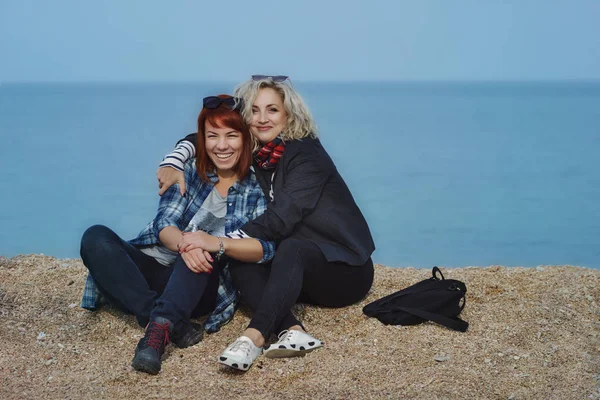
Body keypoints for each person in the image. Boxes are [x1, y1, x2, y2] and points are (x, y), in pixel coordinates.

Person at [157, 75, 375, 371]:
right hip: (294, 271)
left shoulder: (306, 156)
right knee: (241, 261)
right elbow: (205, 137)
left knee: (287, 247)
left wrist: (217, 242)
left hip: (343, 270)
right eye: (255, 110)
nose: (262, 119)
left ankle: (254, 337)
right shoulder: (261, 150)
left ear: (289, 114)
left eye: (272, 110)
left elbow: (279, 220)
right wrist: (173, 160)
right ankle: (294, 331)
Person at [79, 95, 274, 375]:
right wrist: (186, 243)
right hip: (148, 277)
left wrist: (209, 243)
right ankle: (166, 321)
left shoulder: (256, 188)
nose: (221, 145)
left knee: (200, 250)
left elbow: (264, 248)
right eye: (212, 136)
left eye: (231, 135)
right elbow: (164, 225)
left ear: (245, 139)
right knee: (95, 236)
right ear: (202, 139)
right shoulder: (189, 172)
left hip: (199, 282)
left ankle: (155, 338)